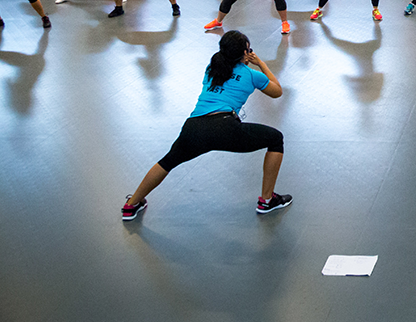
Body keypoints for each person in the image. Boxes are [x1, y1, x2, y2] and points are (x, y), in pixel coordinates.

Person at [120, 30, 290, 221]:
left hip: (194, 127)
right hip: (226, 128)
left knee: (167, 162)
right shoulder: (251, 75)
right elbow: (277, 92)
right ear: (245, 53)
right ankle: (267, 201)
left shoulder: (212, 68)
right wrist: (261, 64)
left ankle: (131, 204)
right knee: (276, 139)